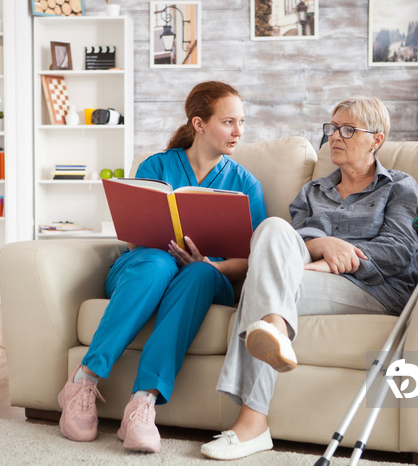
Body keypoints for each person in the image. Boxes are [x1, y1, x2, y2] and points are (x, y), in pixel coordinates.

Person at [201, 96, 418, 460]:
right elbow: (293, 240)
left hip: (374, 289)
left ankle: (253, 421)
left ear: (376, 140)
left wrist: (337, 259)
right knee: (271, 228)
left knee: (263, 281)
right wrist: (323, 244)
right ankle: (274, 329)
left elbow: (399, 250)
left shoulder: (399, 186)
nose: (335, 136)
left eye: (348, 129)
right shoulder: (312, 191)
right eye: (332, 128)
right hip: (308, 276)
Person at [57, 81, 267, 454]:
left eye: (242, 122)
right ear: (199, 124)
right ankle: (83, 382)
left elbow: (251, 259)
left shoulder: (245, 183)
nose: (238, 132)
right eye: (228, 122)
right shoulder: (155, 166)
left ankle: (143, 403)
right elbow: (134, 238)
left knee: (200, 273)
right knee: (156, 263)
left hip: (208, 277)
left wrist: (208, 263)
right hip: (146, 264)